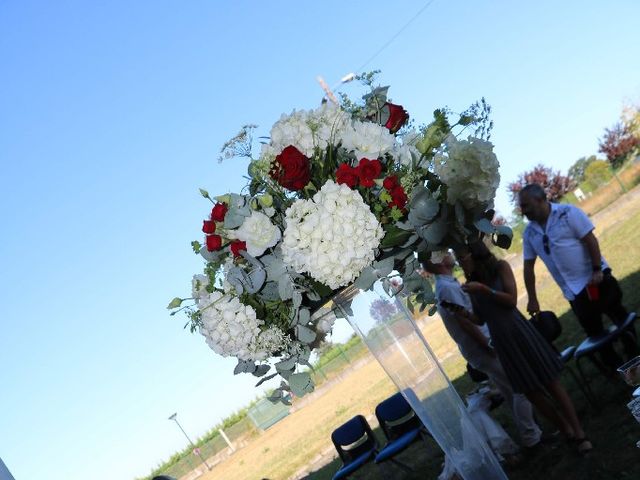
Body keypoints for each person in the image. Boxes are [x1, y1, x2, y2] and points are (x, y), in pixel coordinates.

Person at [457, 240, 593, 454]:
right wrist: (464, 314)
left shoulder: (500, 268)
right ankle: (565, 429)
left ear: (475, 254)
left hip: (519, 332)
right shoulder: (471, 284)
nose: (459, 262)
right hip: (502, 342)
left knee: (550, 382)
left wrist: (484, 289)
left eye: (462, 257)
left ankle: (579, 432)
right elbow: (481, 318)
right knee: (531, 392)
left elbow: (511, 300)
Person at [422, 252, 542, 449]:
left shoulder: (446, 284)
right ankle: (531, 437)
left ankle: (532, 432)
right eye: (444, 253)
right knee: (521, 385)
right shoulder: (446, 288)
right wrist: (487, 344)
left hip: (481, 346)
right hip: (483, 346)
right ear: (439, 261)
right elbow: (465, 323)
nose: (451, 254)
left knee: (509, 390)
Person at [518, 183, 638, 368]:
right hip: (573, 291)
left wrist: (597, 269)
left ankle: (634, 356)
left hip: (596, 280)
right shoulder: (529, 233)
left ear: (540, 199)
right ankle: (616, 370)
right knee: (595, 333)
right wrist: (532, 299)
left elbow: (590, 239)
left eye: (526, 205)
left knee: (620, 318)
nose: (522, 211)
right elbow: (528, 267)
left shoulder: (567, 213)